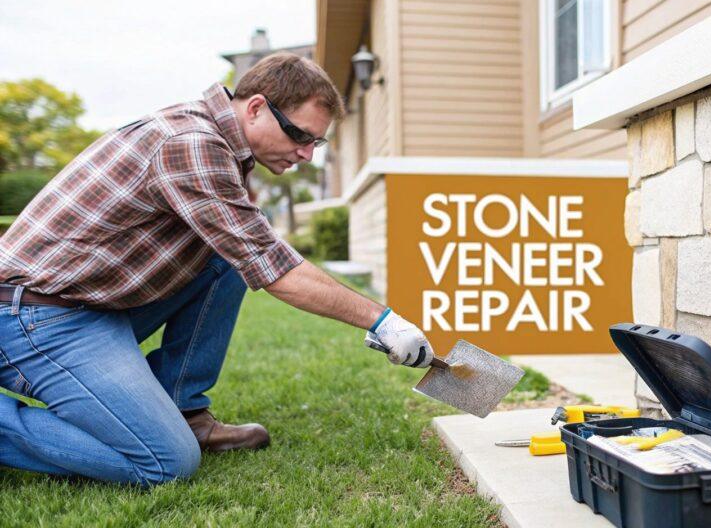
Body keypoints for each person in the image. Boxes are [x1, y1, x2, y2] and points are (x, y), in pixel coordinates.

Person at [0, 53, 433, 486]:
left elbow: (254, 249)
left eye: (315, 143)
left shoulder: (221, 145)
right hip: (35, 317)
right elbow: (275, 269)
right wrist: (384, 321)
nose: (305, 153)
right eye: (300, 135)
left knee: (225, 256)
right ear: (257, 107)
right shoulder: (190, 142)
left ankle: (182, 409)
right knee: (165, 461)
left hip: (91, 306)